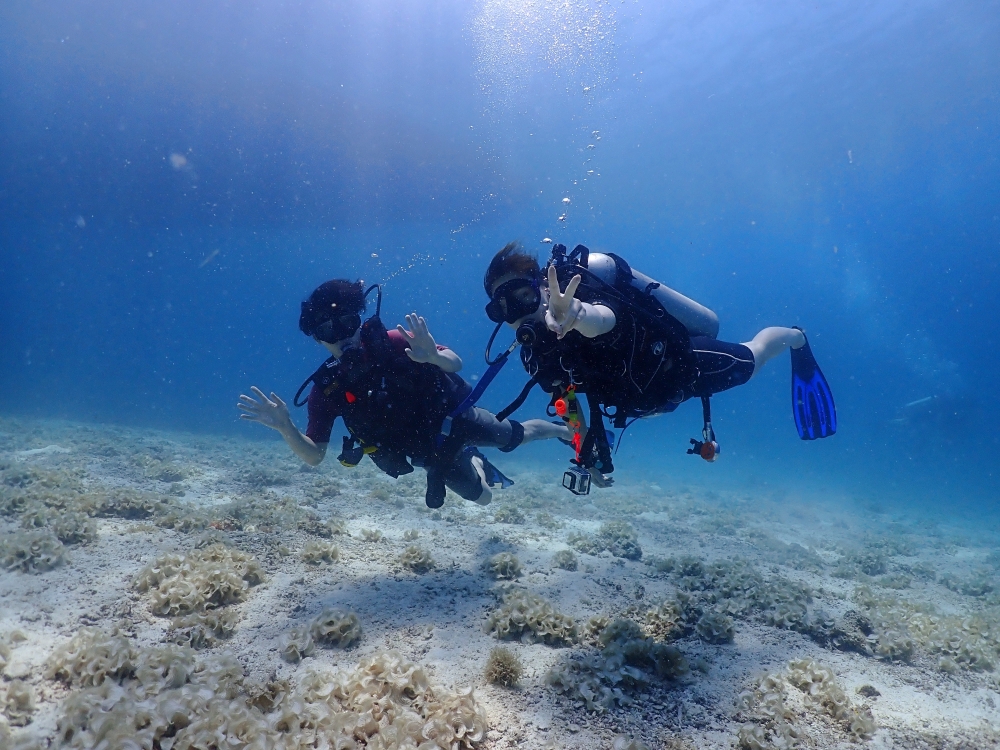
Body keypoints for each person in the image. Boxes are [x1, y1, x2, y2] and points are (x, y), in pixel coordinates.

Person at [482, 242, 836, 488]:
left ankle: (795, 338)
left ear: (542, 287)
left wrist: (575, 315)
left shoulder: (582, 303)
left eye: (524, 297)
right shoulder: (536, 355)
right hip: (640, 396)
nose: (519, 313)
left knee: (753, 358)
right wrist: (584, 452)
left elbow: (603, 319)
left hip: (677, 365)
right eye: (503, 309)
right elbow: (567, 402)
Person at [239, 278, 568, 508]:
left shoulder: (396, 341)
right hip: (425, 452)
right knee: (483, 497)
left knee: (518, 435)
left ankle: (563, 429)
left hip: (455, 420)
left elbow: (455, 363)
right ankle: (472, 460)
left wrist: (434, 356)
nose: (343, 336)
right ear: (317, 339)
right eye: (327, 331)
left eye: (348, 322)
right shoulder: (327, 390)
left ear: (359, 319)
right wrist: (286, 427)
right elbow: (314, 455)